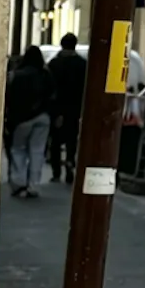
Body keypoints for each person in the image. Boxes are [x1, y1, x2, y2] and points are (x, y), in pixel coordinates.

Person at [5, 45, 54, 198]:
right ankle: (34, 185)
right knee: (37, 151)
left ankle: (19, 183)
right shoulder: (46, 74)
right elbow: (53, 96)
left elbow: (9, 99)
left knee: (18, 149)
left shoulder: (16, 76)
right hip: (43, 117)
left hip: (22, 119)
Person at [48, 33, 87, 184]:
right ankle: (70, 162)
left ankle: (56, 172)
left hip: (57, 107)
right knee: (72, 139)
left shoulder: (54, 63)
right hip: (75, 108)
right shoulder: (82, 64)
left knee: (55, 141)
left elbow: (50, 87)